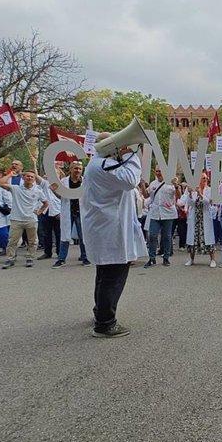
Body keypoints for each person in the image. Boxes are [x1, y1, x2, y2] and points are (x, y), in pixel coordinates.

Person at [81, 139, 147, 338]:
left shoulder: (97, 164)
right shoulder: (103, 165)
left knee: (104, 274)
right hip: (110, 230)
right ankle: (105, 324)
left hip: (107, 228)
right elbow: (130, 180)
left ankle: (100, 313)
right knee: (113, 276)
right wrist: (130, 155)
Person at [0, 169, 48, 269]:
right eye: (27, 176)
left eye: (32, 177)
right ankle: (10, 259)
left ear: (34, 179)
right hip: (16, 219)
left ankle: (30, 257)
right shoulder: (15, 188)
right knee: (12, 241)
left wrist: (39, 212)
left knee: (32, 241)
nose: (29, 178)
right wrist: (10, 174)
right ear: (23, 178)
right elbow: (0, 183)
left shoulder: (38, 190)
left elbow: (46, 203)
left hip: (31, 219)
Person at [51, 161, 89, 268]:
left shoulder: (85, 181)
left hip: (81, 212)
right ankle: (61, 259)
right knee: (65, 235)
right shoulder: (63, 181)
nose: (78, 171)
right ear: (71, 169)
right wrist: (54, 191)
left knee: (83, 236)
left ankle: (85, 257)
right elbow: (60, 197)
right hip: (68, 211)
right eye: (75, 168)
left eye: (80, 169)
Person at [143, 168, 179, 268]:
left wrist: (176, 186)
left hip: (168, 214)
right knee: (152, 235)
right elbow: (146, 196)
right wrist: (142, 184)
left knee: (167, 236)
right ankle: (152, 258)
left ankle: (166, 257)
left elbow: (178, 196)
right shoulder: (152, 184)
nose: (159, 173)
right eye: (157, 171)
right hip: (155, 214)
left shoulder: (170, 183)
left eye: (161, 171)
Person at [179, 173, 216, 267]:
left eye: (206, 178)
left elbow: (208, 203)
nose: (205, 179)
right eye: (203, 178)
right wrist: (191, 194)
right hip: (195, 218)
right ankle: (191, 259)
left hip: (205, 217)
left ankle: (212, 260)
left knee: (208, 239)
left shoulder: (209, 190)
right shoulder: (192, 189)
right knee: (193, 238)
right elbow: (190, 204)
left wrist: (200, 194)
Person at [36, 169, 62, 260]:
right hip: (46, 211)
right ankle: (47, 253)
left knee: (59, 234)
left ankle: (60, 253)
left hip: (58, 211)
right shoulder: (45, 183)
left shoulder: (63, 185)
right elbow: (36, 176)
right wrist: (34, 162)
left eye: (56, 173)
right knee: (46, 233)